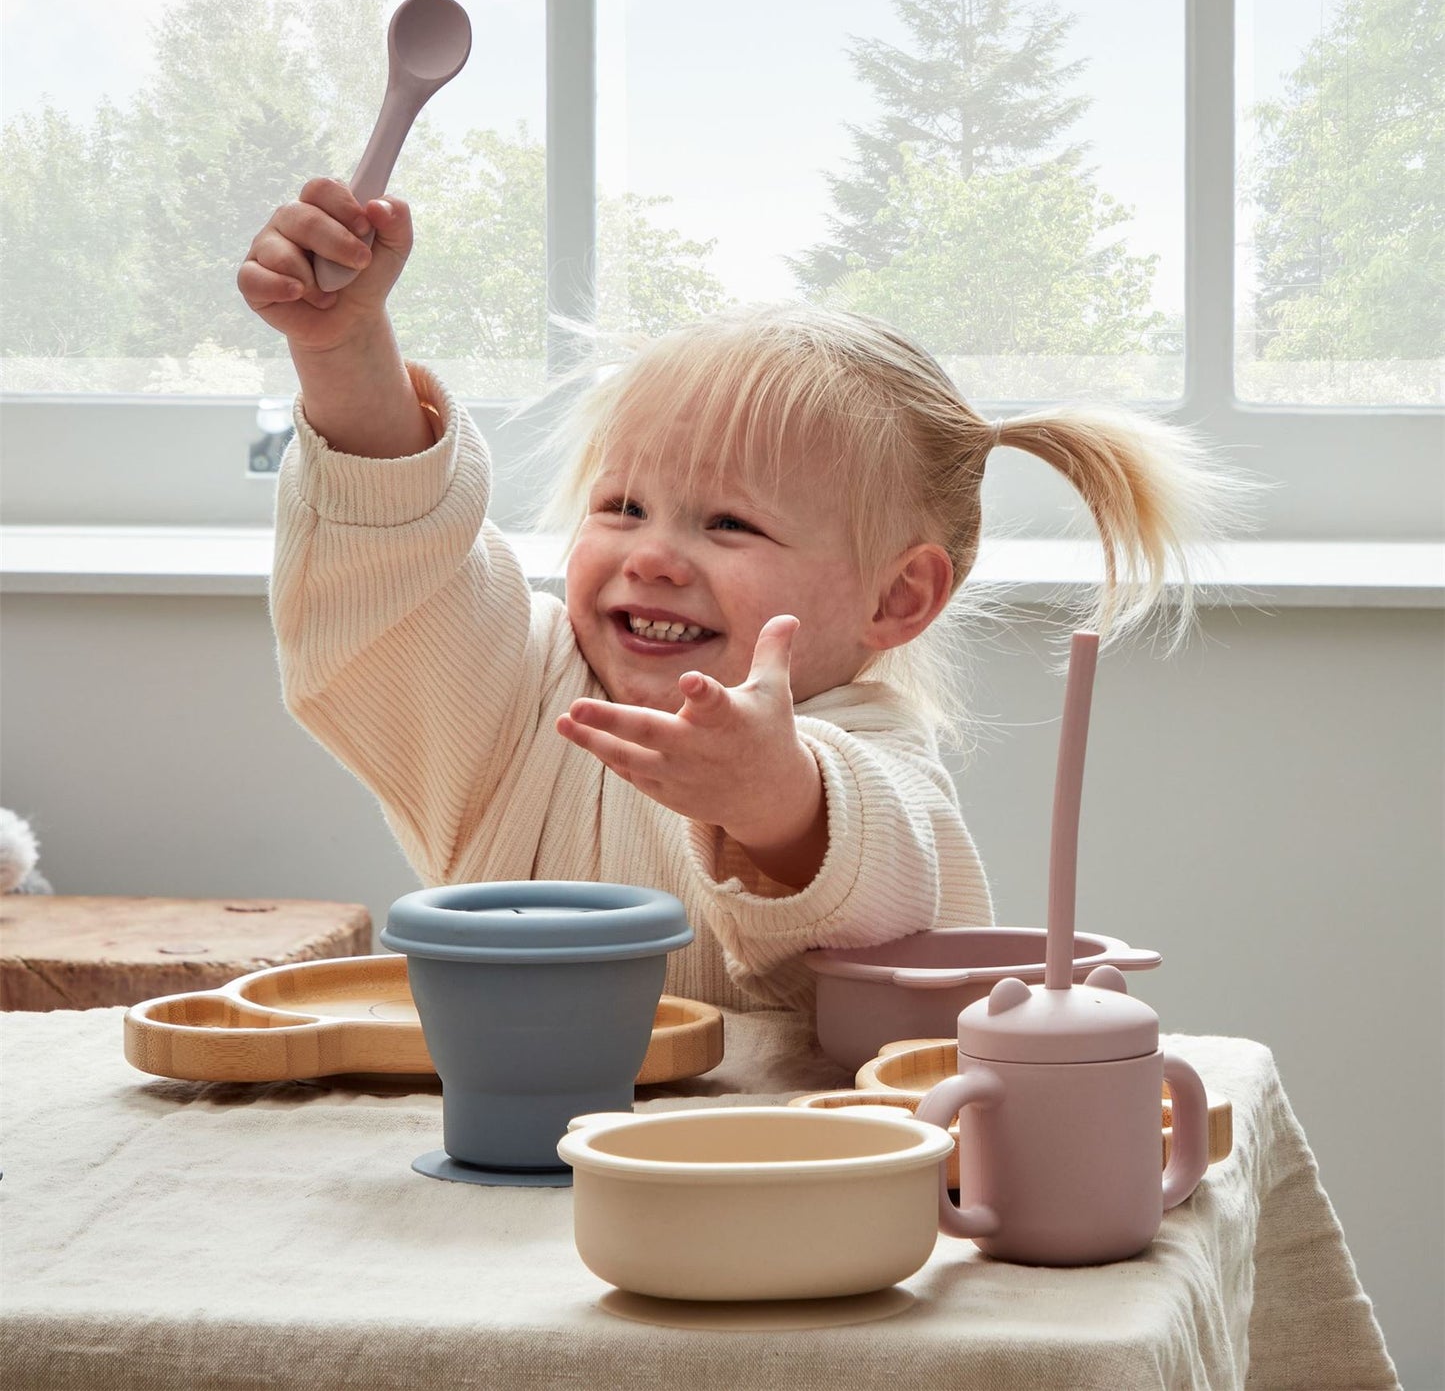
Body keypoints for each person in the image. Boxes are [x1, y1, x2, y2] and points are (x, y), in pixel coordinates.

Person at [239, 178, 1239, 1019]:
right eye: (622, 505)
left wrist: (774, 798)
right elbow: (399, 568)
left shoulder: (873, 759)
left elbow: (884, 870)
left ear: (897, 597)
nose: (654, 556)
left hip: (784, 1200)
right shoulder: (518, 697)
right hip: (509, 1165)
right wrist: (342, 351)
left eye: (728, 524)